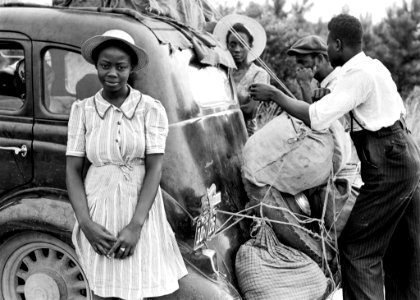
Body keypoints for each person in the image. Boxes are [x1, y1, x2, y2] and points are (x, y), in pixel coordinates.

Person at [249, 14, 420, 300]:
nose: (327, 50)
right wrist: (324, 96)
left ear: (338, 44)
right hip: (404, 155)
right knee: (403, 246)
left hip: (389, 162)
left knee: (357, 249)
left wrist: (275, 95)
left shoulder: (357, 76)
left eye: (328, 43)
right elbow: (349, 104)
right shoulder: (371, 67)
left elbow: (316, 118)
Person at [66, 29, 187, 300]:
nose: (112, 73)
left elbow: (155, 168)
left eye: (120, 67)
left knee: (146, 283)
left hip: (140, 210)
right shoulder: (83, 111)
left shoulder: (150, 109)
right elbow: (73, 170)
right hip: (99, 210)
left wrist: (136, 225)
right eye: (105, 65)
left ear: (131, 68)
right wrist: (85, 223)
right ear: (96, 65)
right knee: (103, 288)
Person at [214, 14, 270, 136]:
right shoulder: (222, 71)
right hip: (220, 133)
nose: (237, 49)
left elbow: (250, 111)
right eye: (232, 44)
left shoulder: (259, 74)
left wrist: (217, 111)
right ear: (227, 46)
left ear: (250, 46)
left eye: (242, 44)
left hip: (245, 136)